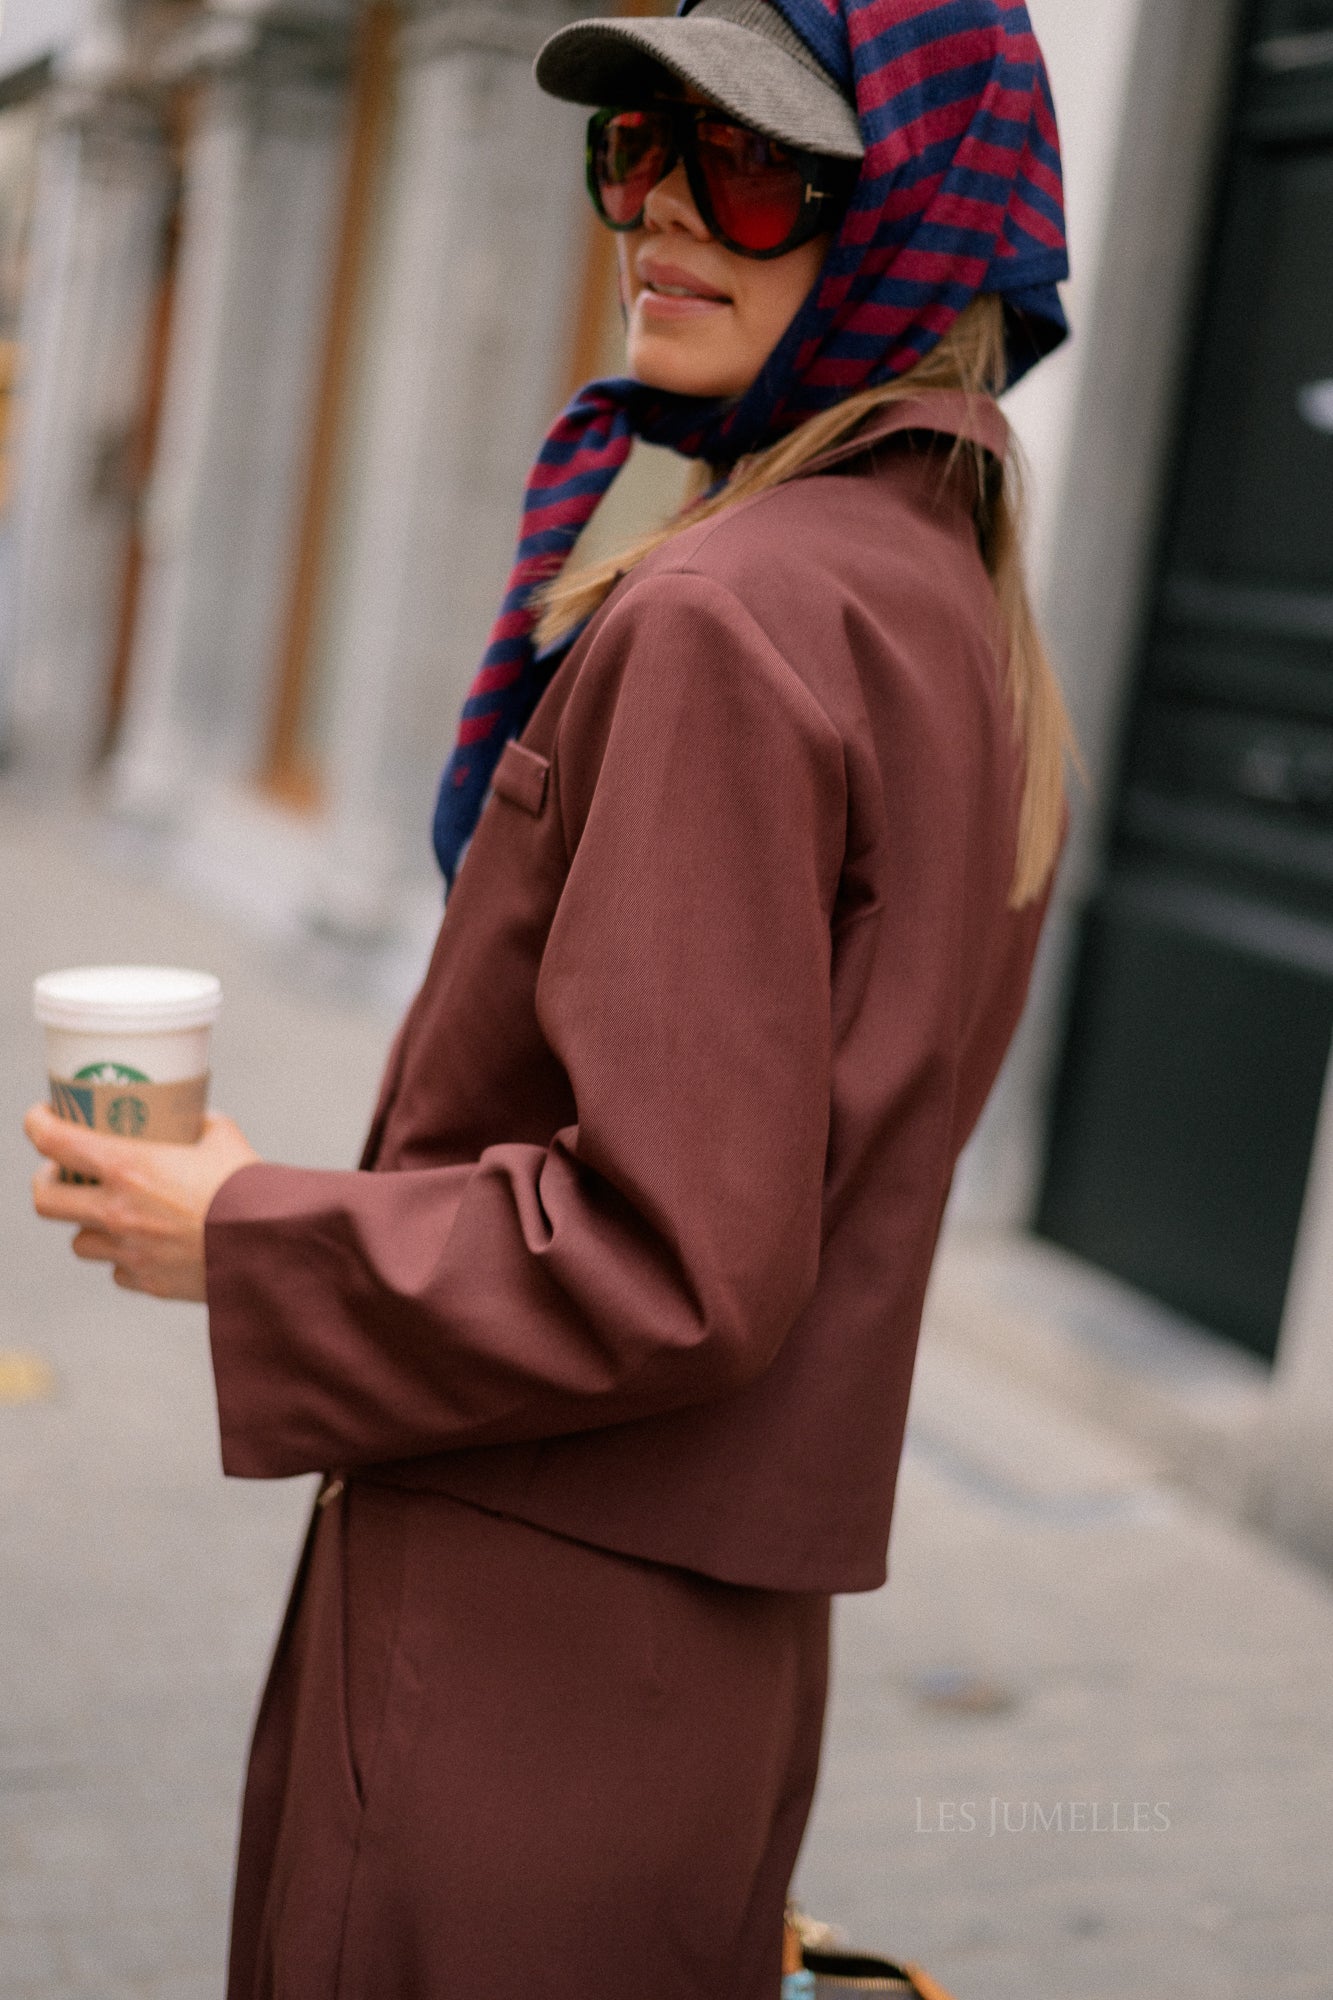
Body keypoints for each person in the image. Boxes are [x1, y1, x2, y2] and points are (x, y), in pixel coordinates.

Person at [25, 2, 1073, 1995]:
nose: (665, 210)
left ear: (916, 221)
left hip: (520, 1627)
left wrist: (240, 1232)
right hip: (714, 1639)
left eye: (755, 165)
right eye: (639, 151)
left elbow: (674, 1253)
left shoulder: (734, 610)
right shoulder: (938, 593)